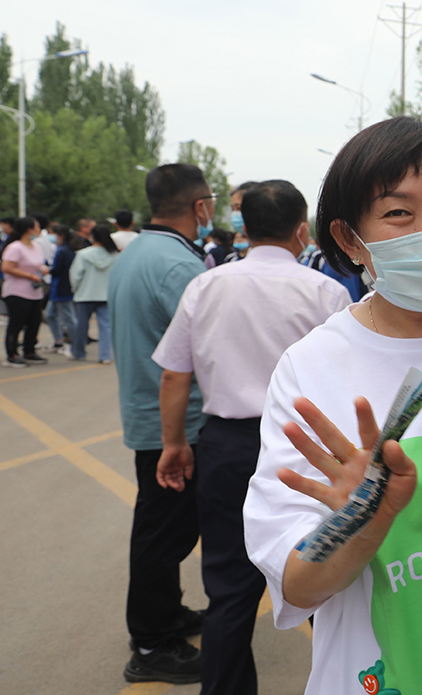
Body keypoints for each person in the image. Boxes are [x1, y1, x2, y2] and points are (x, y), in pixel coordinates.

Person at [244, 118, 422, 695]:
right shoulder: (313, 367)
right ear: (348, 238)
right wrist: (361, 522)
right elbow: (298, 585)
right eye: (397, 214)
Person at [153, 180, 350, 695]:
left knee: (230, 592)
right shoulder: (323, 290)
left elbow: (175, 374)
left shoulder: (206, 285)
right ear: (301, 229)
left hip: (226, 446)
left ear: (244, 226)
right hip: (305, 453)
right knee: (320, 579)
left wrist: (174, 444)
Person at [109, 163, 214, 684]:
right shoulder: (178, 266)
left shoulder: (137, 254)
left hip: (149, 415)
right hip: (176, 425)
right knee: (163, 535)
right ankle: (151, 646)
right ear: (200, 207)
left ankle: (167, 616)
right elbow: (204, 350)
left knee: (160, 527)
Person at [2, 217, 50, 367]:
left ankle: (29, 351)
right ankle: (12, 354)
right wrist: (29, 275)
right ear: (29, 230)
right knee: (17, 323)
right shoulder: (15, 247)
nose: (39, 230)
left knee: (34, 322)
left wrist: (43, 269)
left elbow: (39, 263)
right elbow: (7, 268)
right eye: (36, 227)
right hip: (17, 291)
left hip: (35, 291)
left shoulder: (35, 246)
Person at [69, 226, 119, 364]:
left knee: (82, 325)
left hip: (85, 294)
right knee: (105, 326)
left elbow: (75, 275)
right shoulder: (114, 255)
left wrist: (76, 289)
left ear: (92, 237)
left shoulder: (83, 254)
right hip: (106, 295)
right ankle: (105, 355)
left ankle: (78, 352)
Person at [44, 224, 77, 354]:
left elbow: (57, 269)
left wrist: (47, 269)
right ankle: (59, 341)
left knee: (68, 317)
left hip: (61, 288)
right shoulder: (66, 249)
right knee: (50, 314)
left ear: (60, 235)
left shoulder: (63, 250)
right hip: (59, 287)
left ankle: (76, 343)